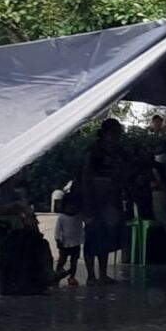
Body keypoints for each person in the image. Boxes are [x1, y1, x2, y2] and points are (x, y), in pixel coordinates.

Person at [81, 118, 126, 285]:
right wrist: (87, 203)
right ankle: (91, 275)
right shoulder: (94, 151)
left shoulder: (118, 152)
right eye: (114, 133)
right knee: (92, 236)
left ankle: (103, 273)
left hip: (111, 200)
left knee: (106, 236)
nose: (116, 137)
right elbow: (86, 176)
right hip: (94, 200)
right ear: (106, 134)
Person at [53, 193, 84, 286]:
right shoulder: (61, 218)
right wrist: (58, 240)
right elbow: (57, 230)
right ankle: (57, 276)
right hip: (64, 244)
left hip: (76, 243)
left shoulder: (78, 217)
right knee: (61, 260)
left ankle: (72, 277)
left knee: (74, 262)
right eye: (69, 205)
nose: (71, 208)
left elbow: (82, 226)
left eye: (73, 205)